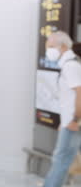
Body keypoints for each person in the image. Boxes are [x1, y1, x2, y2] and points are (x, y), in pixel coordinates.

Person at [44, 31, 81, 187]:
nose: (48, 50)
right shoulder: (69, 64)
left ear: (63, 46)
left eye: (51, 46)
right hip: (69, 122)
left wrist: (75, 120)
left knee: (61, 159)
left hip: (73, 123)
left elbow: (80, 93)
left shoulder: (71, 66)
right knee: (63, 158)